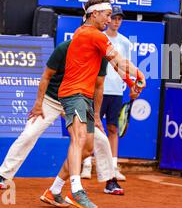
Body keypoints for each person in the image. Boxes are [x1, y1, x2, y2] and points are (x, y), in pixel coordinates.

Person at [46, 0, 145, 208]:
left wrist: (131, 80)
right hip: (73, 95)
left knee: (88, 147)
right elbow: (119, 60)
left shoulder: (87, 34)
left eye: (112, 16)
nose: (110, 20)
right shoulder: (93, 35)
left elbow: (116, 65)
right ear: (94, 14)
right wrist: (138, 74)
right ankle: (76, 188)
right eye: (108, 15)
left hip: (86, 97)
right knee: (79, 138)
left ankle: (54, 190)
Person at [0, 39, 131, 198]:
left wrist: (96, 116)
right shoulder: (64, 49)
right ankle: (4, 174)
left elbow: (98, 86)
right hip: (51, 100)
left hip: (78, 102)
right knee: (29, 134)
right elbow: (46, 76)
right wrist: (38, 103)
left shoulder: (101, 55)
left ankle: (110, 181)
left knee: (101, 139)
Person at [81, 5, 129, 182]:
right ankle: (86, 165)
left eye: (119, 18)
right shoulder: (98, 38)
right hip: (96, 89)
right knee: (91, 128)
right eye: (113, 17)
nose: (116, 21)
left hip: (116, 92)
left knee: (112, 128)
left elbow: (125, 65)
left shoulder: (125, 42)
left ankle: (113, 167)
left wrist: (130, 84)